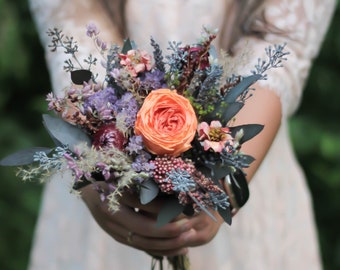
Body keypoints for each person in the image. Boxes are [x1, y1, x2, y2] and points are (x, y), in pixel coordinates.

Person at [27, 0, 336, 269]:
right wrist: (96, 171)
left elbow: (281, 45)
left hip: (247, 161)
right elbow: (72, 27)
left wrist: (223, 183)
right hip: (105, 182)